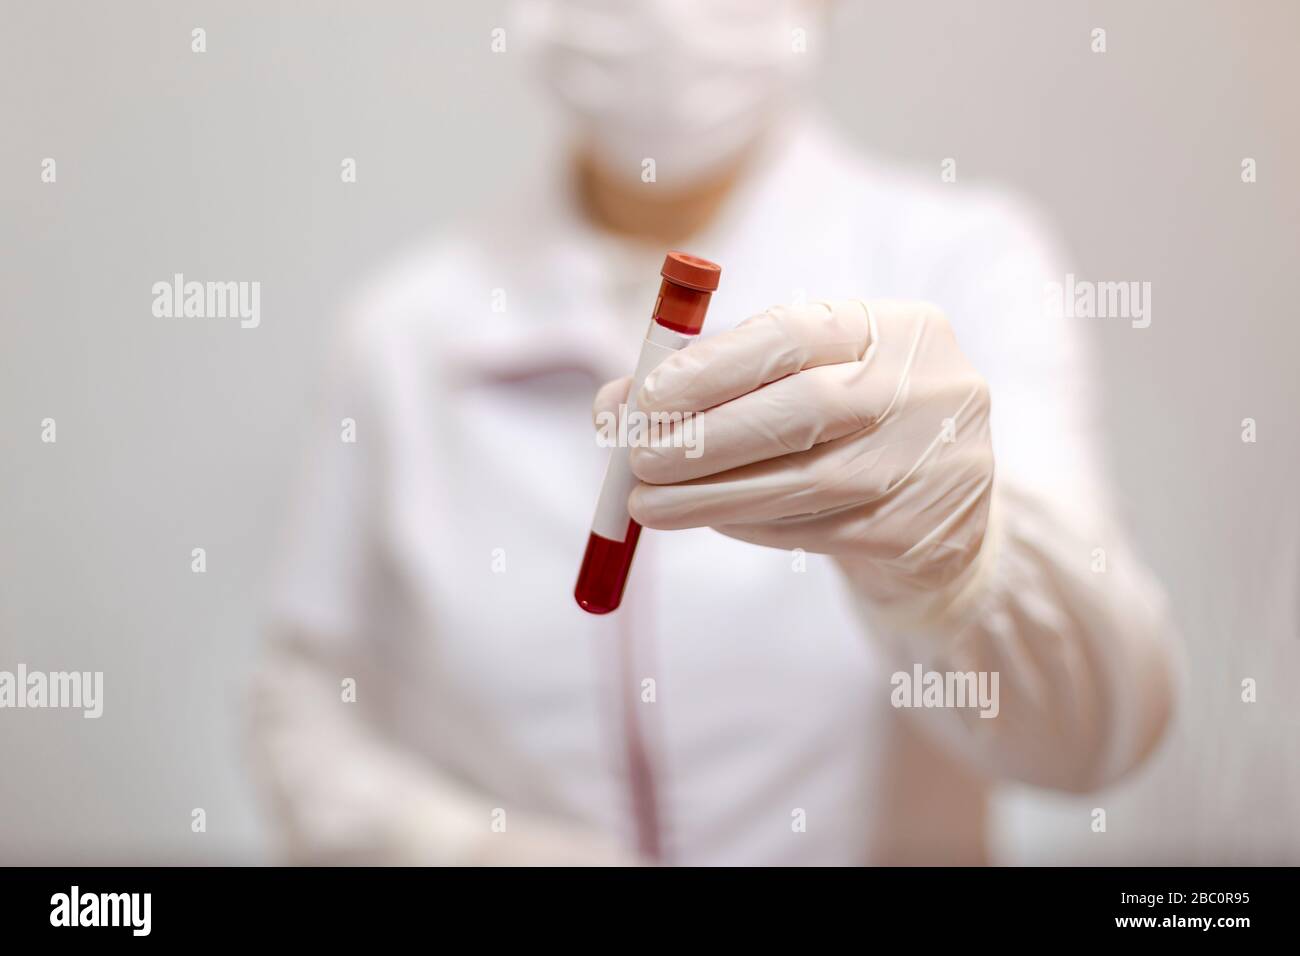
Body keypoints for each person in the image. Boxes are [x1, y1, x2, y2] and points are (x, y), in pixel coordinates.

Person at [248, 0, 1178, 866]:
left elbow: (1100, 736)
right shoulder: (404, 332)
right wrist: (476, 851)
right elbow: (301, 711)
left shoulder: (959, 261)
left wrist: (962, 566)